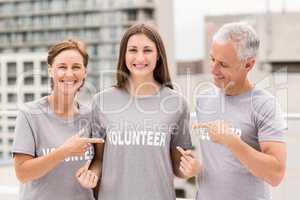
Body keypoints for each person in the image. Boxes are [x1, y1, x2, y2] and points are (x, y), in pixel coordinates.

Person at [77, 23, 199, 200]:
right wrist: (91, 175)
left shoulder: (176, 103)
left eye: (147, 50)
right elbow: (99, 159)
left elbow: (178, 168)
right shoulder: (102, 102)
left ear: (158, 56)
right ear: (124, 55)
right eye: (133, 50)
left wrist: (191, 169)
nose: (140, 57)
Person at [192, 22, 287, 200]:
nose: (213, 70)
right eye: (212, 59)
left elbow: (276, 174)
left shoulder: (265, 105)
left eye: (223, 64)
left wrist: (232, 142)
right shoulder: (202, 100)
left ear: (248, 65)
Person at [13, 39, 104, 200]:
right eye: (62, 67)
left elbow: (98, 159)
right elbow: (22, 173)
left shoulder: (91, 115)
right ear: (50, 71)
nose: (69, 74)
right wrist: (64, 151)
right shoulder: (29, 114)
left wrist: (92, 174)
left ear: (85, 72)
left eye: (76, 67)